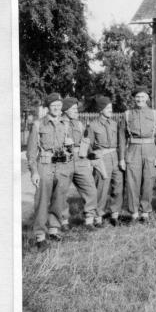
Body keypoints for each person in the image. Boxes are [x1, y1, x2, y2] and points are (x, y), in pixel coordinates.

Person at [26, 92, 74, 250]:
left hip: (61, 166)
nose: (56, 108)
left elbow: (70, 150)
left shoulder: (65, 124)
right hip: (44, 166)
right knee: (42, 202)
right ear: (48, 107)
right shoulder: (38, 124)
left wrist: (69, 145)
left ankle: (54, 230)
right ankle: (40, 236)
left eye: (59, 105)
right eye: (53, 105)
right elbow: (31, 152)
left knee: (58, 199)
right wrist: (34, 172)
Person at [118, 87, 156, 224]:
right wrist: (121, 158)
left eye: (143, 97)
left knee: (148, 181)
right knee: (133, 182)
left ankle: (145, 212)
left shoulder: (155, 114)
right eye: (137, 97)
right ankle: (134, 213)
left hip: (150, 149)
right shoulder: (127, 114)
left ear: (147, 98)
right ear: (134, 98)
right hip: (133, 149)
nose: (140, 99)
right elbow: (121, 137)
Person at [60, 97, 98, 231]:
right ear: (65, 110)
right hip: (64, 160)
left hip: (80, 160)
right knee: (61, 192)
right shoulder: (58, 123)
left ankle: (89, 220)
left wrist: (90, 156)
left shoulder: (79, 124)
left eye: (77, 109)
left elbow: (85, 141)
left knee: (91, 189)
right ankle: (63, 221)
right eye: (73, 109)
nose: (76, 111)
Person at [87, 96, 124, 227]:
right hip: (102, 159)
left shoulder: (114, 124)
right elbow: (88, 146)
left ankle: (115, 214)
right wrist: (94, 158)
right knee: (101, 188)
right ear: (100, 109)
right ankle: (98, 216)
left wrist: (121, 158)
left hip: (115, 156)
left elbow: (120, 142)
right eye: (107, 108)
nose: (110, 110)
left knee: (118, 186)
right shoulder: (92, 125)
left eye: (111, 107)